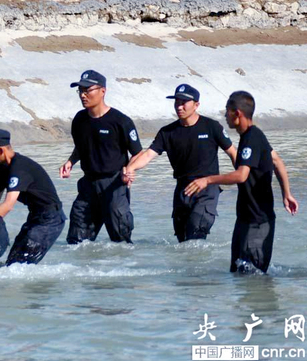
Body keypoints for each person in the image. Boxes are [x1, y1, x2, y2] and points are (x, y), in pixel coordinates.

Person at [184, 91, 298, 274]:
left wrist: (208, 179)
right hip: (245, 219)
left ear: (237, 113)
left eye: (227, 111)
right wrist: (287, 194)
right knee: (237, 273)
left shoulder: (252, 137)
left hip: (257, 222)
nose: (224, 115)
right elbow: (277, 161)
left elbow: (241, 175)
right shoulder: (251, 136)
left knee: (252, 277)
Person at [123, 84, 237, 242]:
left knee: (196, 234)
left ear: (196, 105)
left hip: (207, 187)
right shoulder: (167, 132)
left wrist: (246, 178)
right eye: (177, 102)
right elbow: (148, 155)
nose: (179, 106)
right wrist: (131, 168)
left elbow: (233, 153)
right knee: (182, 240)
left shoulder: (212, 127)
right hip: (182, 189)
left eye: (184, 102)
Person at [59, 70, 142, 244]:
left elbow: (138, 153)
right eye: (80, 90)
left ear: (102, 91)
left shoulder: (121, 121)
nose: (83, 95)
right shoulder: (79, 120)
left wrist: (129, 169)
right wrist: (70, 161)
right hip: (88, 184)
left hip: (114, 184)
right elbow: (81, 147)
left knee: (121, 239)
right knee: (77, 241)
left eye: (87, 90)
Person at [0, 129, 65, 265]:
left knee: (21, 265)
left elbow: (9, 204)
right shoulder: (0, 170)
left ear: (0, 150)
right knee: (11, 263)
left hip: (50, 219)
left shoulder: (19, 168)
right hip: (35, 216)